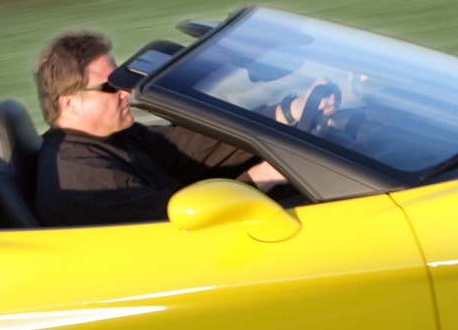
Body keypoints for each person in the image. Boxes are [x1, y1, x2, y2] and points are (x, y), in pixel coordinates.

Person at [31, 30, 286, 227]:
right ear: (70, 102)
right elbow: (186, 225)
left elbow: (189, 150)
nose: (125, 91)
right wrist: (263, 176)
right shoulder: (85, 176)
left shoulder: (113, 136)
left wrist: (285, 114)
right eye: (110, 86)